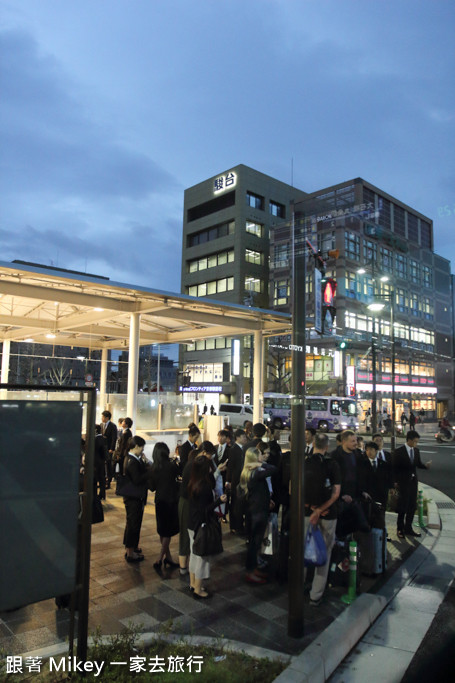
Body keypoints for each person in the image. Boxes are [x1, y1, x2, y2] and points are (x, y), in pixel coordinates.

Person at [304, 432, 341, 606]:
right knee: (324, 553)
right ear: (327, 447)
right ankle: (315, 595)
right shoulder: (332, 464)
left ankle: (299, 586)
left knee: (303, 549)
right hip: (328, 515)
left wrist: (312, 509)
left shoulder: (304, 462)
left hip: (306, 514)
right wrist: (320, 510)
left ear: (312, 445)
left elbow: (292, 489)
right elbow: (336, 493)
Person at [187, 455, 227, 599]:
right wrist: (219, 501)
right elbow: (205, 509)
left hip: (192, 523)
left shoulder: (194, 481)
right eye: (210, 466)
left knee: (194, 554)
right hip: (201, 525)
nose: (212, 468)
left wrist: (218, 471)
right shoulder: (204, 487)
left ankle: (193, 583)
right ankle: (198, 589)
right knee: (202, 558)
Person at [239, 447, 277, 584]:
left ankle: (253, 568)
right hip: (258, 512)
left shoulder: (248, 472)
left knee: (255, 542)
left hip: (255, 510)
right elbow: (274, 469)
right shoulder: (254, 472)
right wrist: (260, 464)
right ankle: (250, 570)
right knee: (255, 543)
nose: (263, 456)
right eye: (261, 454)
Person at [392, 430, 431, 539]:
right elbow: (394, 467)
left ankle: (408, 528)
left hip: (413, 482)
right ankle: (400, 528)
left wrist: (425, 466)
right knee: (402, 506)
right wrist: (395, 482)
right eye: (414, 441)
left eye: (417, 442)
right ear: (409, 440)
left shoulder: (416, 451)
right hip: (402, 482)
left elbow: (417, 463)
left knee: (412, 506)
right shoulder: (399, 451)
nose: (416, 444)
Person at [149, 442, 180, 572]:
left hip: (159, 500)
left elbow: (152, 487)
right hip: (171, 500)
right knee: (167, 531)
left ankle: (168, 557)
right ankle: (160, 558)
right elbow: (179, 474)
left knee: (162, 530)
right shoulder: (171, 466)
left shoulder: (154, 467)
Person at [122, 435, 149, 562]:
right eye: (142, 447)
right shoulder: (131, 461)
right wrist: (148, 472)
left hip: (134, 497)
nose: (143, 449)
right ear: (136, 446)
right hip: (133, 498)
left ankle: (132, 547)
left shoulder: (133, 458)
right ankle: (130, 552)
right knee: (133, 524)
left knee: (133, 523)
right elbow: (137, 479)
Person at [225, 428, 247, 534]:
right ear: (237, 438)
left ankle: (238, 525)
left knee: (240, 504)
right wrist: (228, 481)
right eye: (243, 437)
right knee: (235, 504)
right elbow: (231, 466)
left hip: (242, 480)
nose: (245, 438)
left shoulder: (244, 448)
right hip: (235, 480)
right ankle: (235, 526)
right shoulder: (234, 449)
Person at [101, 410, 118, 489]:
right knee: (102, 465)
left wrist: (112, 448)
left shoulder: (112, 426)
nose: (102, 418)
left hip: (109, 449)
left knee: (108, 464)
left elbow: (114, 438)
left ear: (107, 417)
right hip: (102, 448)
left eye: (103, 417)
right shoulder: (101, 425)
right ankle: (103, 481)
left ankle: (109, 481)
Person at [94, 424, 108, 499]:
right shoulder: (104, 438)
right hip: (102, 461)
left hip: (96, 462)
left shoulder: (95, 440)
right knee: (102, 479)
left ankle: (96, 495)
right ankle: (102, 494)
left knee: (96, 479)